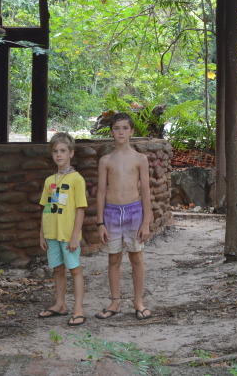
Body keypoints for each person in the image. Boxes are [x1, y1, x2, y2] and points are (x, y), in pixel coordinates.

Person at [95, 112, 153, 320]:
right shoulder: (105, 160)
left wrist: (146, 221)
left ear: (132, 131)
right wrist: (100, 222)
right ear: (111, 132)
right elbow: (101, 191)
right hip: (111, 213)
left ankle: (138, 301)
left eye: (125, 128)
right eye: (117, 128)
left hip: (134, 212)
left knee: (136, 256)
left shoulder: (140, 159)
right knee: (114, 258)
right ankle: (115, 301)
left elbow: (145, 191)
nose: (121, 132)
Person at [38, 131, 88, 327]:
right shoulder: (49, 180)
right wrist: (42, 233)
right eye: (55, 151)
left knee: (74, 270)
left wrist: (75, 236)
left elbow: (80, 209)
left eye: (63, 151)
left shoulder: (77, 179)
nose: (59, 155)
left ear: (71, 153)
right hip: (52, 233)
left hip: (68, 235)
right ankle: (60, 304)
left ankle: (78, 309)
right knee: (58, 270)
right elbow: (46, 208)